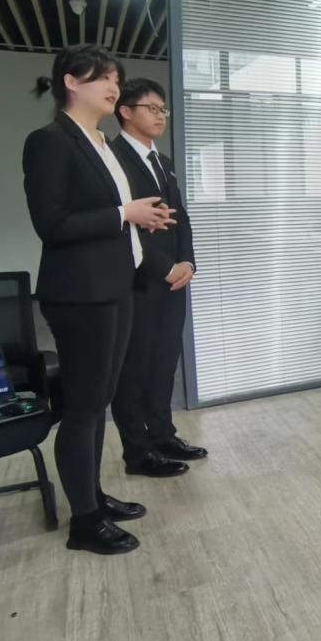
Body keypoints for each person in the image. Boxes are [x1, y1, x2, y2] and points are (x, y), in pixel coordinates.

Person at [22, 45, 175, 555]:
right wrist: (124, 214)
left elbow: (115, 215)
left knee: (98, 403)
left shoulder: (103, 143)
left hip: (116, 287)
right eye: (104, 77)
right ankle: (84, 523)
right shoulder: (49, 141)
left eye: (116, 77)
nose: (114, 85)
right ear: (71, 81)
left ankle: (92, 496)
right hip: (80, 294)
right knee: (84, 409)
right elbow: (52, 223)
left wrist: (140, 218)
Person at [110, 79, 207, 478]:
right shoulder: (112, 159)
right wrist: (165, 267)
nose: (160, 116)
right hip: (137, 279)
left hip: (173, 278)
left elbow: (179, 217)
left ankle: (163, 434)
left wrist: (187, 262)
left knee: (165, 361)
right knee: (135, 366)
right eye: (151, 108)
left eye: (163, 109)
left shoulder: (162, 161)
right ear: (125, 111)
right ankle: (138, 451)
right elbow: (126, 228)